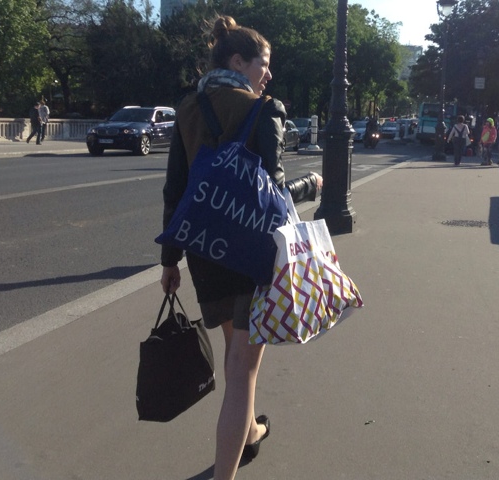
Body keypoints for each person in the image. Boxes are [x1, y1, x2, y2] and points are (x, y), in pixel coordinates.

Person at [159, 15, 322, 480]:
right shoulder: (265, 109)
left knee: (236, 358)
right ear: (238, 61)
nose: (268, 75)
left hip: (204, 249)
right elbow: (275, 195)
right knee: (244, 369)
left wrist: (169, 260)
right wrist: (312, 184)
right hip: (252, 252)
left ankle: (250, 432)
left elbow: (175, 190)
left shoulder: (188, 107)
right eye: (263, 64)